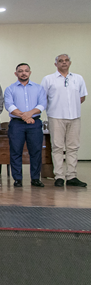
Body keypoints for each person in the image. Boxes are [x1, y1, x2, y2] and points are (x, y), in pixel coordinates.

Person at [41, 54, 87, 187]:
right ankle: (59, 176)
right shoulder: (49, 79)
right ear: (56, 64)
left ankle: (72, 176)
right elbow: (43, 98)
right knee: (57, 147)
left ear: (70, 63)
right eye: (60, 61)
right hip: (56, 117)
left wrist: (71, 106)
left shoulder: (78, 78)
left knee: (73, 147)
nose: (64, 63)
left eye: (66, 60)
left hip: (74, 117)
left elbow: (82, 97)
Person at [4, 63, 47, 187]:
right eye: (20, 71)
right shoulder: (10, 89)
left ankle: (35, 178)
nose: (23, 73)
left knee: (36, 151)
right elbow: (9, 106)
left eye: (26, 71)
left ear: (30, 72)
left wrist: (29, 115)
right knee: (15, 151)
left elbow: (42, 104)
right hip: (17, 124)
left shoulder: (38, 88)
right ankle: (17, 179)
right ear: (16, 73)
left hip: (34, 123)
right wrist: (24, 116)